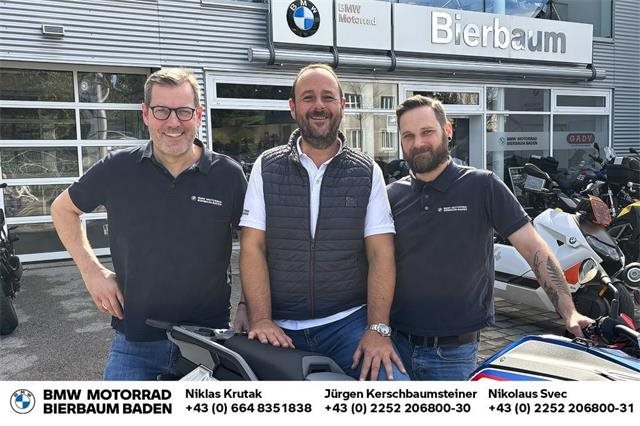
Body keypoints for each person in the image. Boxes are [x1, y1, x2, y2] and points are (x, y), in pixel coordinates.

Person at [50, 68, 248, 380]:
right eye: (161, 110)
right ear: (145, 114)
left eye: (183, 111)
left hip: (208, 342)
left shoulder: (228, 176)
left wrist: (249, 304)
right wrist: (92, 272)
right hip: (135, 343)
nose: (173, 122)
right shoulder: (117, 168)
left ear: (198, 115)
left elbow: (254, 245)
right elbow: (63, 210)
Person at [388, 95, 593, 381]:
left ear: (447, 130)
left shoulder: (482, 186)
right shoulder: (392, 195)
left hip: (452, 355)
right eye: (408, 135)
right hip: (394, 348)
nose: (418, 142)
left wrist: (568, 312)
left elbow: (533, 248)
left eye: (427, 132)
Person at [239, 63, 408, 381]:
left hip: (347, 325)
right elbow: (252, 247)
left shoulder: (366, 171)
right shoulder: (266, 166)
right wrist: (260, 318)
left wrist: (377, 328)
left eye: (328, 97)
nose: (319, 105)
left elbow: (381, 254)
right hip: (279, 327)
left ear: (342, 105)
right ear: (293, 107)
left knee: (397, 390)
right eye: (308, 97)